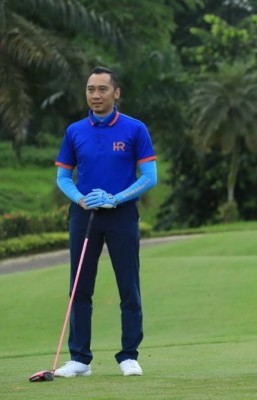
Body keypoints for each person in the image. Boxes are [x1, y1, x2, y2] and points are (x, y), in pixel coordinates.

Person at [53, 66, 158, 377]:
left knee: (129, 286)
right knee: (80, 288)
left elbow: (149, 177)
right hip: (84, 215)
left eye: (101, 89)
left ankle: (128, 355)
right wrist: (81, 199)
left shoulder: (135, 129)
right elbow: (63, 177)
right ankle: (80, 359)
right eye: (90, 89)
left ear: (116, 93)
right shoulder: (74, 131)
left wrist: (116, 198)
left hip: (121, 215)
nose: (95, 95)